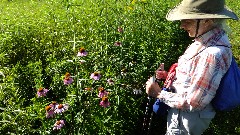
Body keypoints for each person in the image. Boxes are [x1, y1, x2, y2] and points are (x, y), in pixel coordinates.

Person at [145, 0, 238, 135]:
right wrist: (170, 76)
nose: (182, 26)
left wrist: (158, 93)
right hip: (183, 114)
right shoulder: (204, 40)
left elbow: (194, 103)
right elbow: (195, 76)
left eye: (188, 21)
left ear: (208, 20)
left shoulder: (212, 54)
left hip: (187, 119)